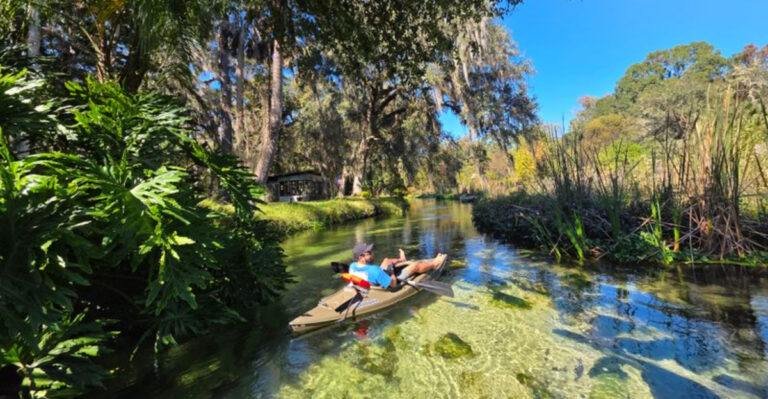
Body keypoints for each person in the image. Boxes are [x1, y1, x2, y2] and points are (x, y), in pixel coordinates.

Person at [348, 242, 447, 289]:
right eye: (369, 253)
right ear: (361, 257)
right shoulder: (374, 270)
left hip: (375, 279)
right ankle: (435, 264)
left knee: (386, 260)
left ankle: (402, 260)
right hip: (388, 282)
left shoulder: (352, 266)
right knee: (415, 266)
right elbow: (393, 285)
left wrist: (386, 270)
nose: (372, 253)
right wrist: (391, 273)